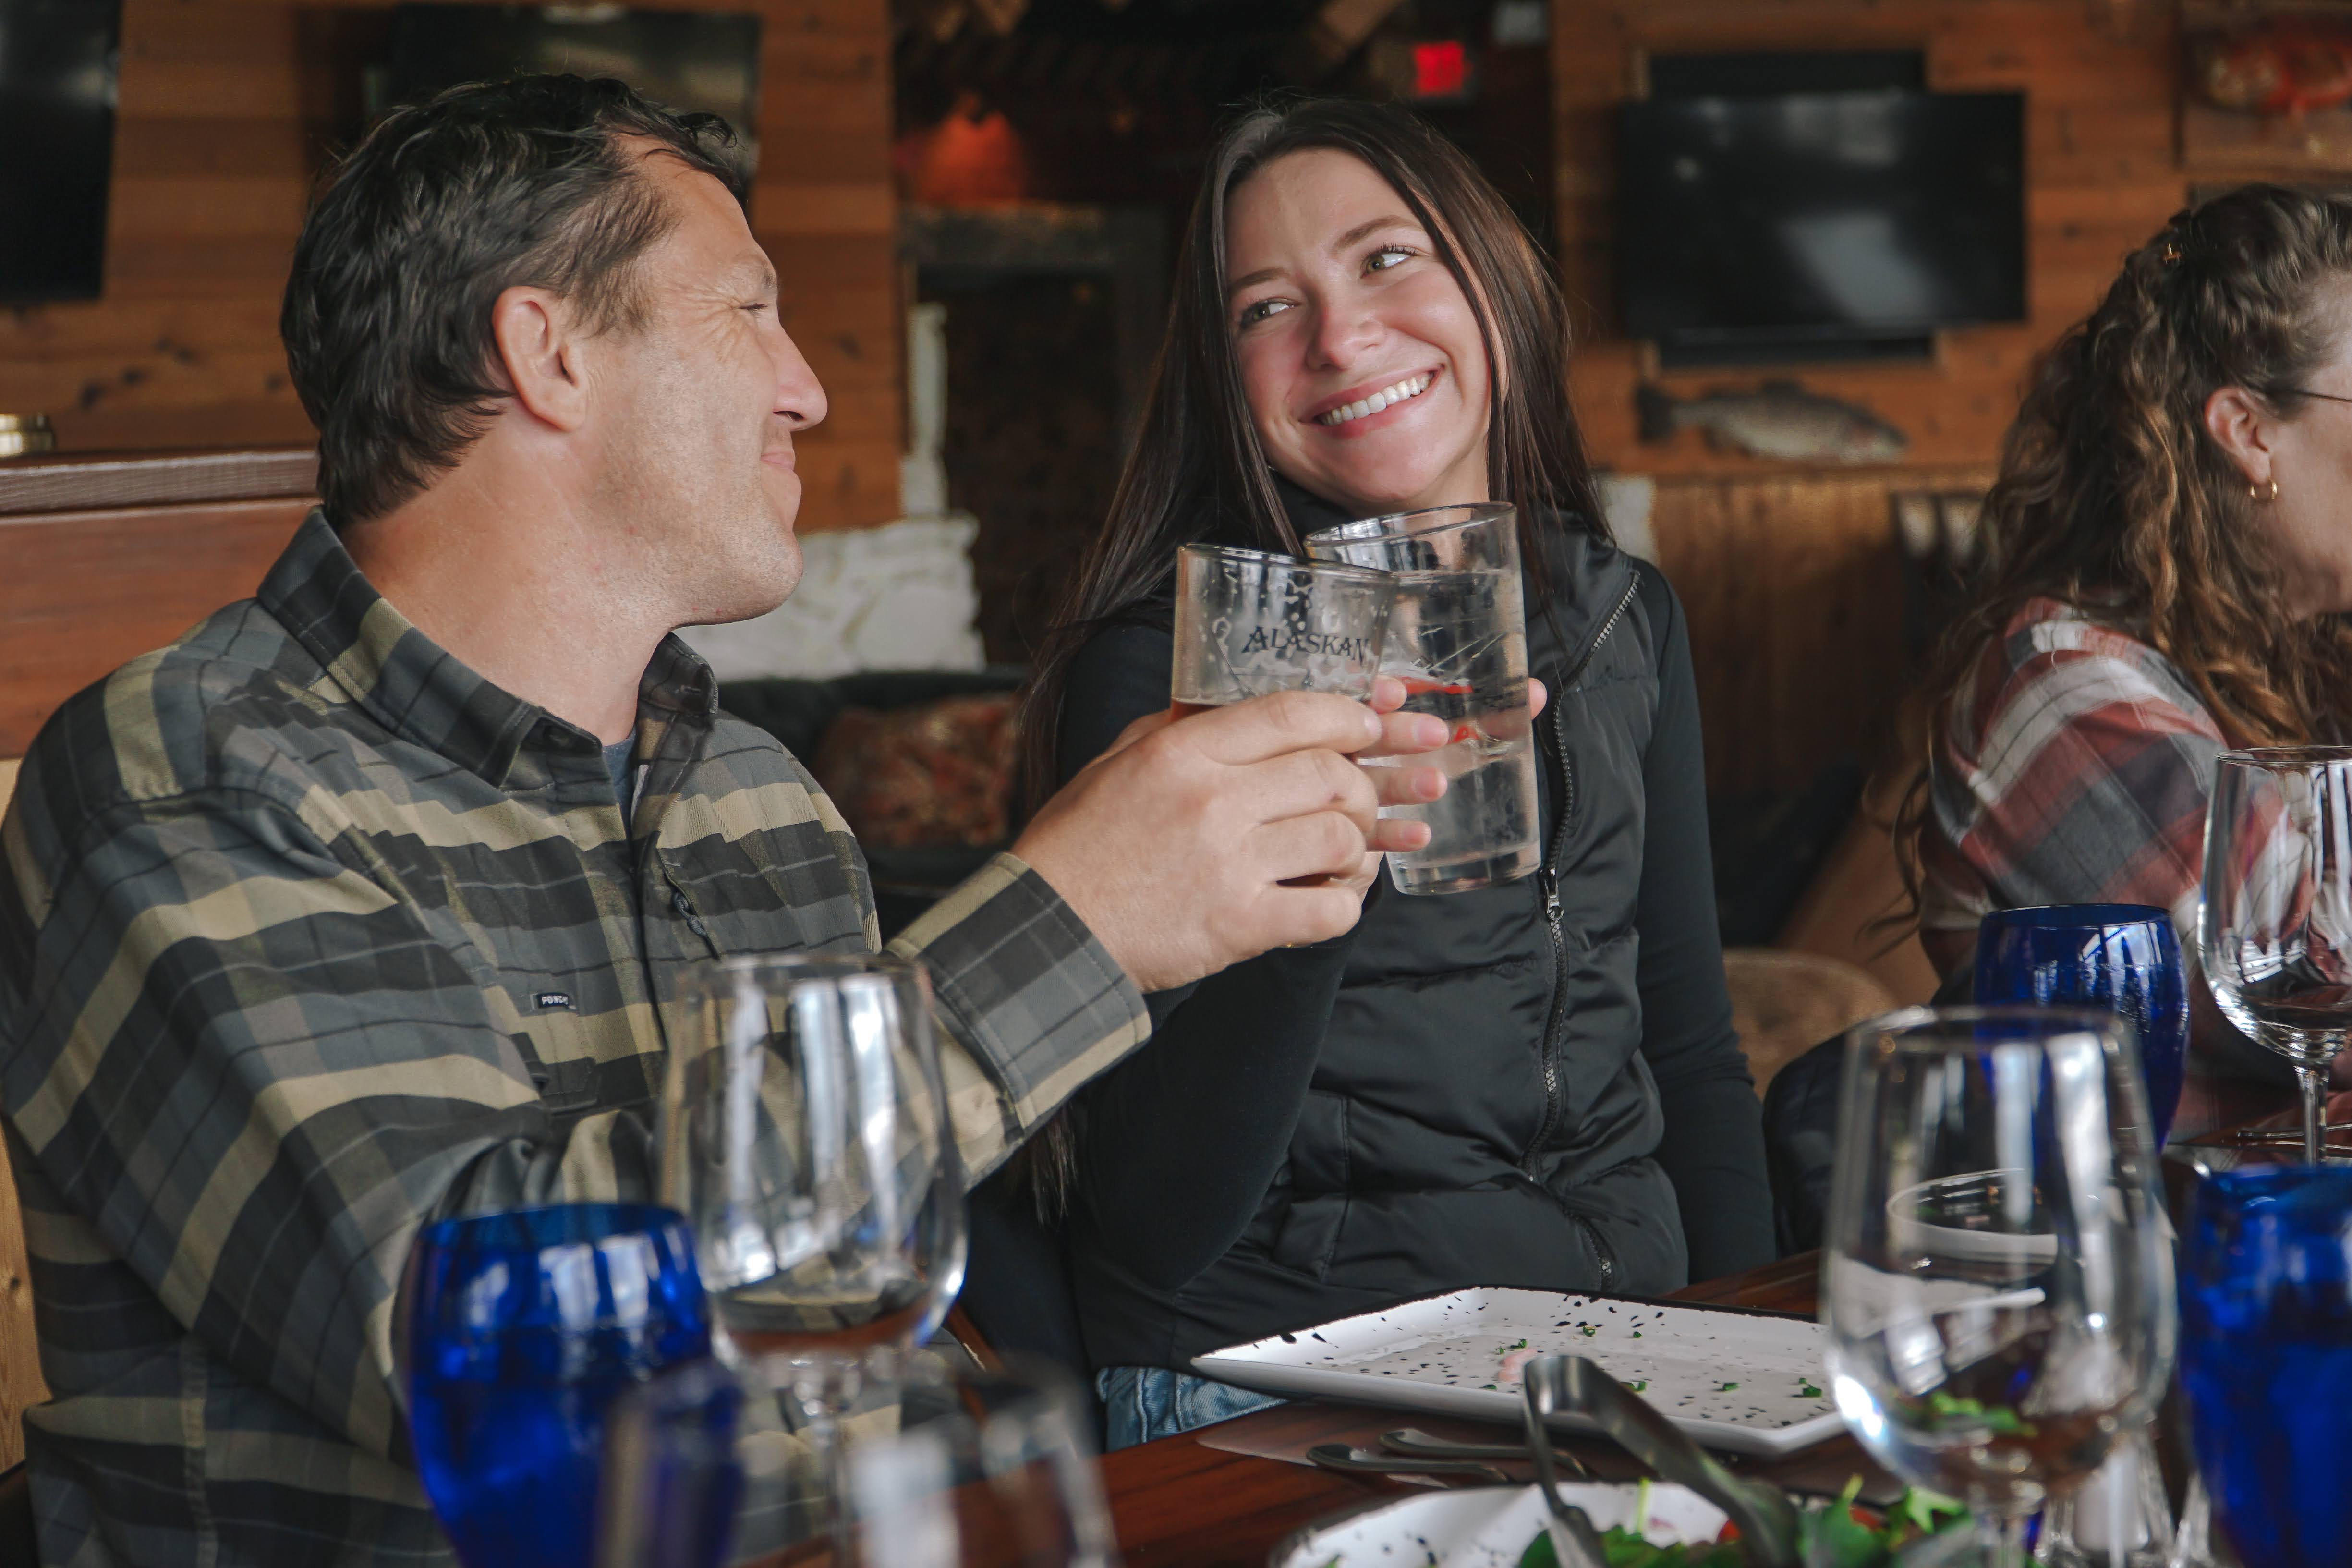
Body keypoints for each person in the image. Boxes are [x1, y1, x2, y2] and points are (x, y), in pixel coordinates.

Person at [0, 78, 1452, 1567]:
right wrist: (1069, 922)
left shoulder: (752, 797)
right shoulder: (189, 771)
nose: (805, 387)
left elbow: (872, 1323)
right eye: (748, 311)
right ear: (547, 350)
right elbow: (472, 1337)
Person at [1007, 99, 1773, 1449]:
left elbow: (1691, 1047)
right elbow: (1144, 1221)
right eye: (1262, 307)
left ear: (1495, 277)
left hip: (1626, 1341)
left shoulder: (1620, 616)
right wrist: (1320, 883)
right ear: (1221, 373)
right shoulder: (1166, 674)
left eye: (1385, 258)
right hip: (1283, 1373)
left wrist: (1761, 1354)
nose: (1340, 338)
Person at [1895, 182, 2352, 1131]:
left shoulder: (2298, 661)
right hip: (2150, 1258)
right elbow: (2319, 988)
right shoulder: (2066, 687)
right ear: (2248, 433)